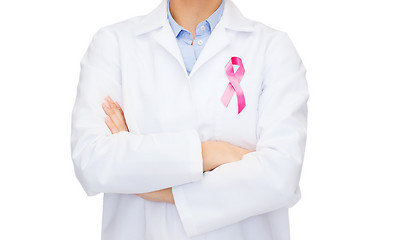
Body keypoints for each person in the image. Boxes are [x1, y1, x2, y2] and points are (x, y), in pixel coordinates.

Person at [70, 0, 309, 239]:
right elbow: (93, 162)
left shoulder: (273, 48)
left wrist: (154, 187)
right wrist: (213, 153)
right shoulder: (113, 44)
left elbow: (280, 177)